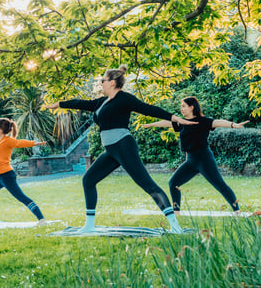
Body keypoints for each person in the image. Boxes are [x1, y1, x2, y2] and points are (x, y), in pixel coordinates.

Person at [44, 65, 198, 233]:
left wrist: (173, 118)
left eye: (102, 80)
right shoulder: (102, 102)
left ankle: (175, 226)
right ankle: (88, 226)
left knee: (147, 184)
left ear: (111, 82)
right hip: (111, 150)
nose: (101, 83)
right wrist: (59, 104)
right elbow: (82, 103)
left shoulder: (124, 98)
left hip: (124, 146)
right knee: (88, 180)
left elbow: (148, 109)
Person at [142, 96, 248, 214]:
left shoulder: (202, 121)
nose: (181, 109)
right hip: (191, 161)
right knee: (173, 183)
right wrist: (150, 125)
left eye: (183, 106)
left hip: (204, 159)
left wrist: (234, 125)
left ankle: (237, 211)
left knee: (220, 185)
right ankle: (176, 212)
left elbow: (218, 122)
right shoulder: (182, 123)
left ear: (191, 107)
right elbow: (167, 123)